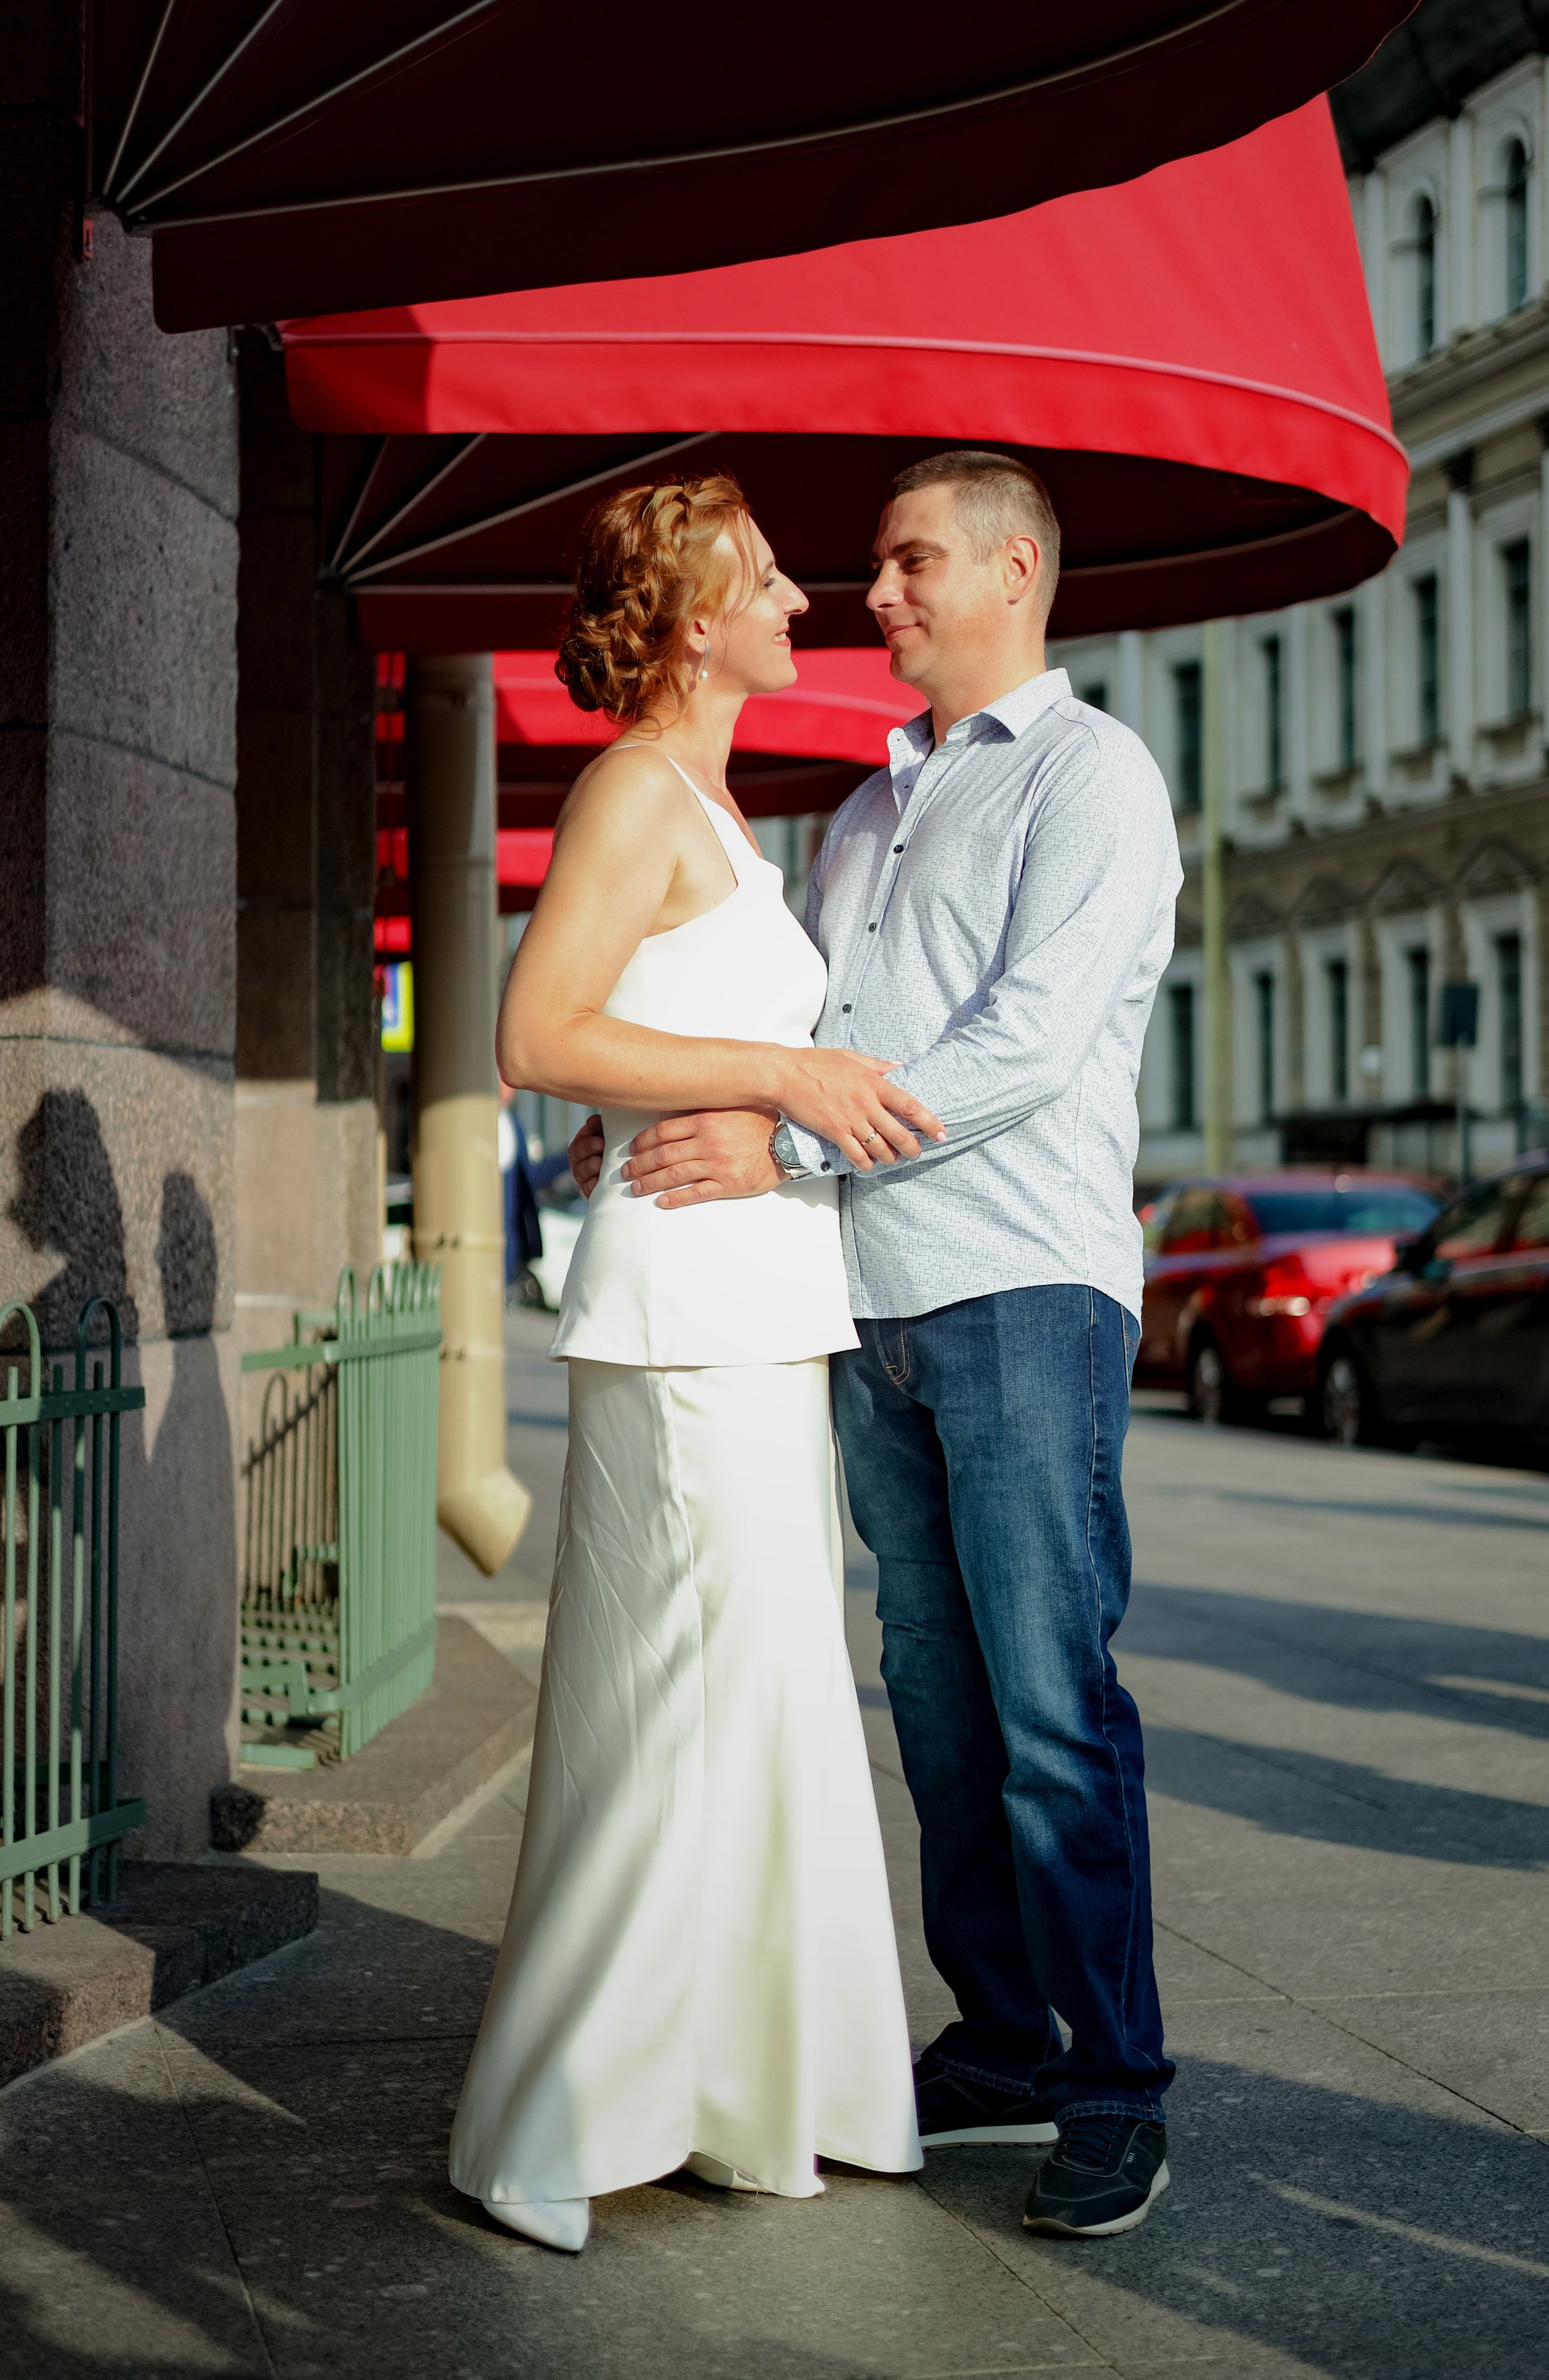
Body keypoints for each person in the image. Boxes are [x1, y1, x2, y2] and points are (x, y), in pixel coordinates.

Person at [584, 451, 1183, 2240]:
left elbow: (1025, 1043)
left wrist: (772, 1145)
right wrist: (686, 1109)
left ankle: (1116, 2086)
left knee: (1052, 1706)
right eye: (871, 563)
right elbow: (798, 1022)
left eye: (914, 561)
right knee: (935, 1706)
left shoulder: (1092, 776)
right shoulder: (861, 811)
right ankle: (1000, 2040)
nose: (877, 592)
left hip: (1023, 1291)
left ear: (1014, 572)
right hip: (866, 1304)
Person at [449, 473, 938, 2254]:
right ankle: (547, 2125)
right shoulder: (635, 791)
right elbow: (532, 1031)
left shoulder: (712, 807)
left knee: (760, 1704)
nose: (805, 599)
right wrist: (786, 1074)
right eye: (769, 578)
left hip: (755, 1301)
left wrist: (695, 1086)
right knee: (666, 1707)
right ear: (691, 622)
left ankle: (745, 2101)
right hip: (681, 1322)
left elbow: (624, 1038)